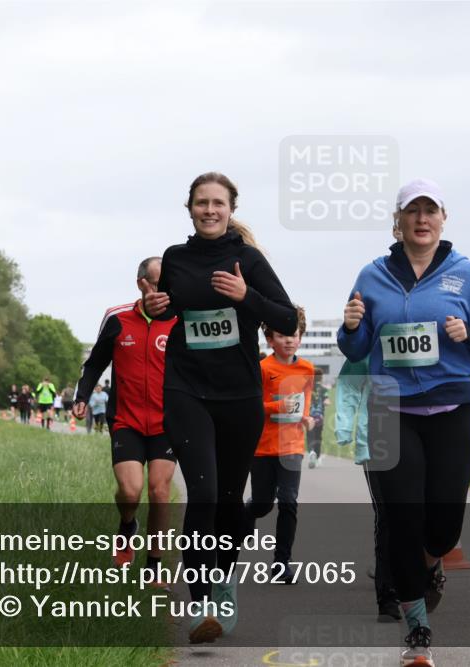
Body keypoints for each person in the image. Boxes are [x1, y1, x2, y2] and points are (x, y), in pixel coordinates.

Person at [337, 178, 470, 667]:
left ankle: (433, 565)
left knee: (443, 527)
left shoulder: (467, 274)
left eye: (431, 211)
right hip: (391, 408)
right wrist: (351, 326)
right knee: (403, 523)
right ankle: (418, 635)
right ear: (399, 221)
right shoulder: (372, 276)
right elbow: (357, 347)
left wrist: (469, 333)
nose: (422, 219)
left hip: (451, 407)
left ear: (443, 219)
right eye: (413, 211)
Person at [143, 171, 297, 644]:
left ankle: (224, 581)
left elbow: (287, 317)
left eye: (218, 203)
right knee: (204, 493)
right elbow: (168, 309)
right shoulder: (175, 257)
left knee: (230, 500)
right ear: (189, 207)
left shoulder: (247, 259)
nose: (209, 210)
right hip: (187, 389)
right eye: (201, 202)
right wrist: (156, 306)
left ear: (231, 208)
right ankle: (202, 603)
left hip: (240, 396)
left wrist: (245, 295)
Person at [73, 256, 180, 580]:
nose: (167, 290)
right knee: (130, 491)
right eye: (161, 283)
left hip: (167, 423)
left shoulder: (181, 321)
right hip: (126, 421)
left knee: (160, 491)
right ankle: (126, 526)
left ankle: (153, 567)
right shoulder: (117, 318)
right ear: (142, 284)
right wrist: (81, 396)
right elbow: (95, 364)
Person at [245, 306, 313, 584]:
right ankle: (247, 512)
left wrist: (307, 417)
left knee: (288, 501)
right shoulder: (261, 368)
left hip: (291, 446)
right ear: (270, 339)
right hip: (262, 447)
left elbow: (304, 402)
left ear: (300, 337)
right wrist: (277, 406)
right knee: (263, 504)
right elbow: (251, 407)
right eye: (282, 335)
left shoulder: (307, 368)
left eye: (293, 335)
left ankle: (282, 563)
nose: (288, 340)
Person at [334, 355, 401, 622]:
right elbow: (349, 386)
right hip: (375, 441)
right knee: (387, 516)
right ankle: (388, 594)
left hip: (419, 434)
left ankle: (427, 568)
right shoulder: (365, 344)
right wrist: (343, 427)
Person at [305, 368, 327, 468]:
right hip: (320, 418)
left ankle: (311, 451)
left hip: (309, 417)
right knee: (318, 437)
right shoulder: (323, 389)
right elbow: (327, 401)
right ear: (321, 377)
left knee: (310, 436)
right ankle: (317, 457)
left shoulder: (307, 388)